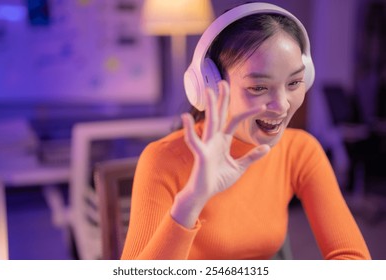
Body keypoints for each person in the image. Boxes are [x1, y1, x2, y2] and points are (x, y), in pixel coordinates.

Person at [121, 2, 371, 259]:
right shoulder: (163, 160)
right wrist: (192, 200)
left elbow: (353, 258)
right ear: (211, 86)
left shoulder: (300, 151)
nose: (282, 105)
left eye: (294, 82)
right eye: (259, 88)